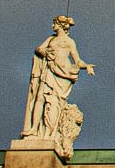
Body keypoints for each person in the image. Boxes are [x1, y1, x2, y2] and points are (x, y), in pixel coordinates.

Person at [24, 14, 96, 144]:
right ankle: (34, 129)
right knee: (40, 98)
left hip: (63, 73)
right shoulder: (51, 38)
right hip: (50, 70)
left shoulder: (69, 42)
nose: (53, 25)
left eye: (55, 23)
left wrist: (86, 66)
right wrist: (45, 52)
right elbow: (39, 49)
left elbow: (77, 60)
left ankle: (50, 132)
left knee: (55, 103)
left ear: (61, 25)